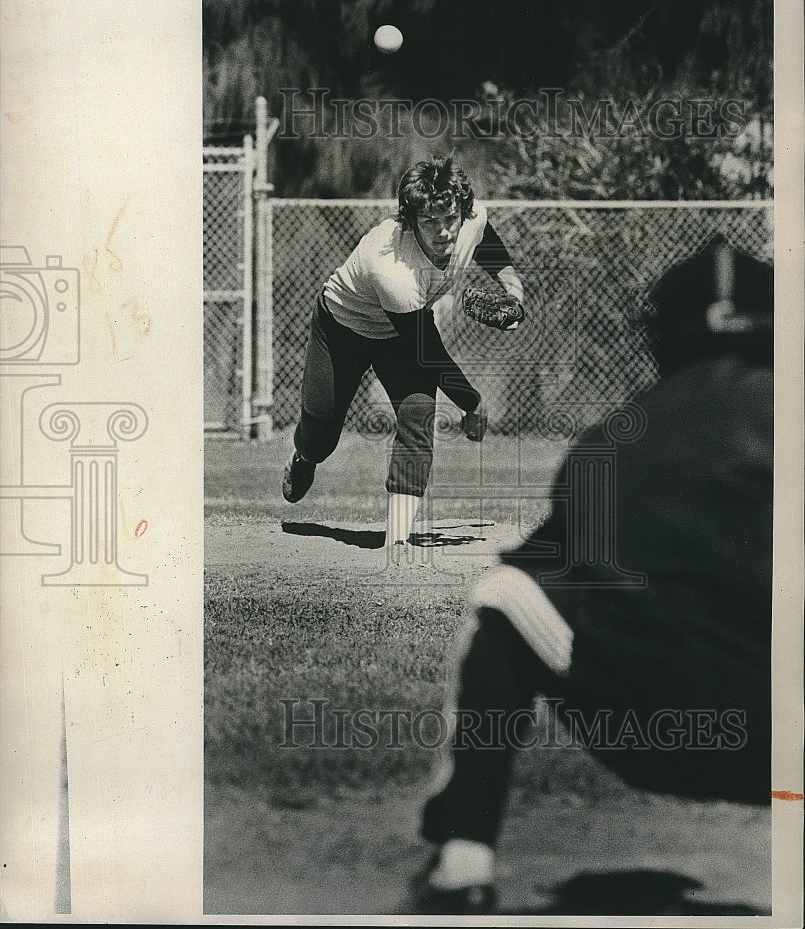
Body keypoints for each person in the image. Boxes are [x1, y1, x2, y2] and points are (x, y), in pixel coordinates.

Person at [402, 237, 774, 915]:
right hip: (780, 741)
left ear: (662, 336)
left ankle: (462, 858)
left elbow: (527, 582)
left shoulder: (606, 441)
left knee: (505, 596)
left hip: (638, 725)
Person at [282, 157, 525, 551]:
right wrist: (472, 402)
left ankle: (396, 539)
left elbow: (485, 237)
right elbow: (425, 351)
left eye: (450, 218)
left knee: (417, 415)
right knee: (322, 431)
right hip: (343, 327)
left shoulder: (469, 217)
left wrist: (512, 286)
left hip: (402, 330)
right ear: (410, 222)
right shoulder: (391, 265)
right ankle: (304, 457)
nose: (444, 232)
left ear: (461, 210)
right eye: (429, 222)